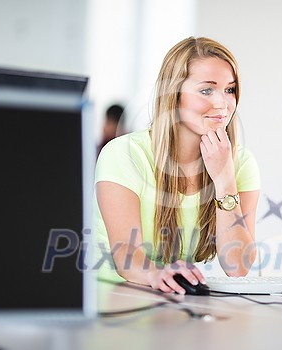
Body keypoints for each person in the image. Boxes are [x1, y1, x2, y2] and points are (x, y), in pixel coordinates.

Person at [93, 36, 260, 294]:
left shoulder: (241, 163)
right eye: (207, 90)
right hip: (113, 299)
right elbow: (127, 257)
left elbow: (237, 267)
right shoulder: (123, 154)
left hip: (171, 302)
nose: (222, 104)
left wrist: (224, 179)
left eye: (229, 89)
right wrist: (158, 274)